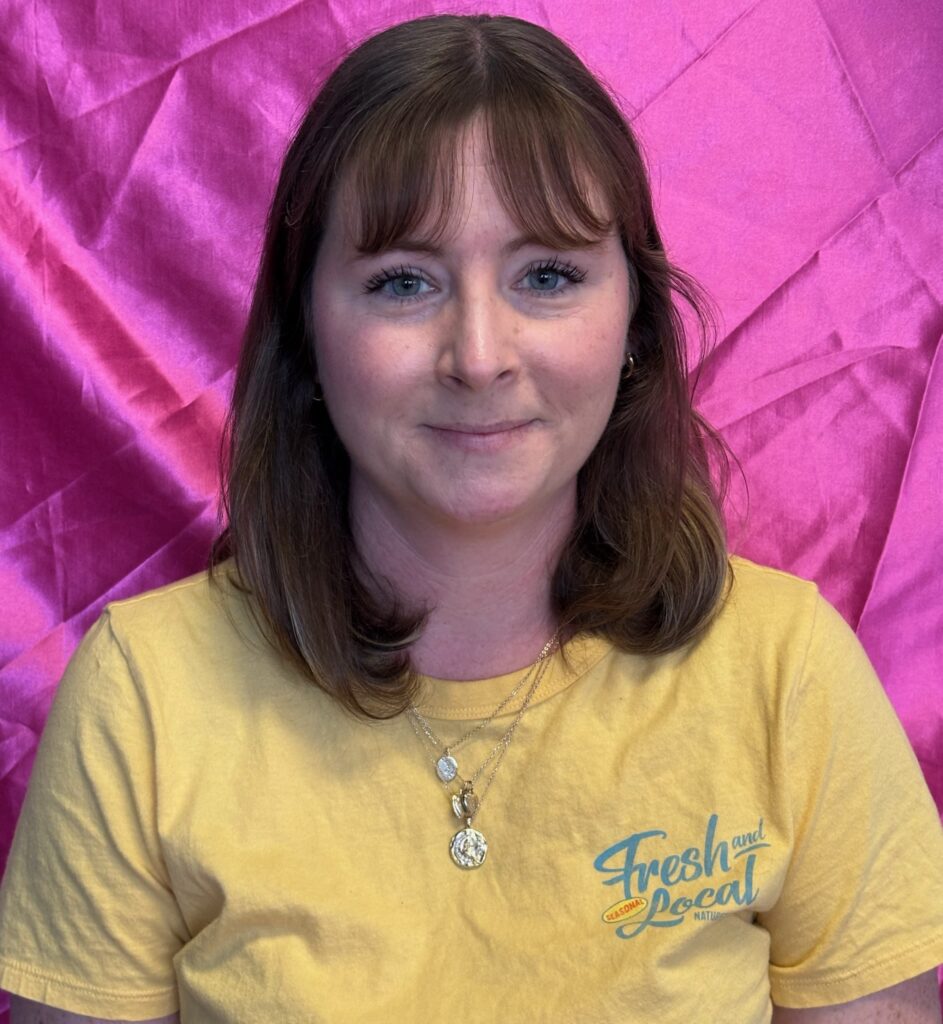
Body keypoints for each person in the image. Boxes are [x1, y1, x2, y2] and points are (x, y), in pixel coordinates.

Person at [1, 13, 942, 1023]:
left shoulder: (787, 671)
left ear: (634, 323)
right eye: (404, 282)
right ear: (306, 332)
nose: (480, 356)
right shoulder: (141, 697)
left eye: (548, 275)